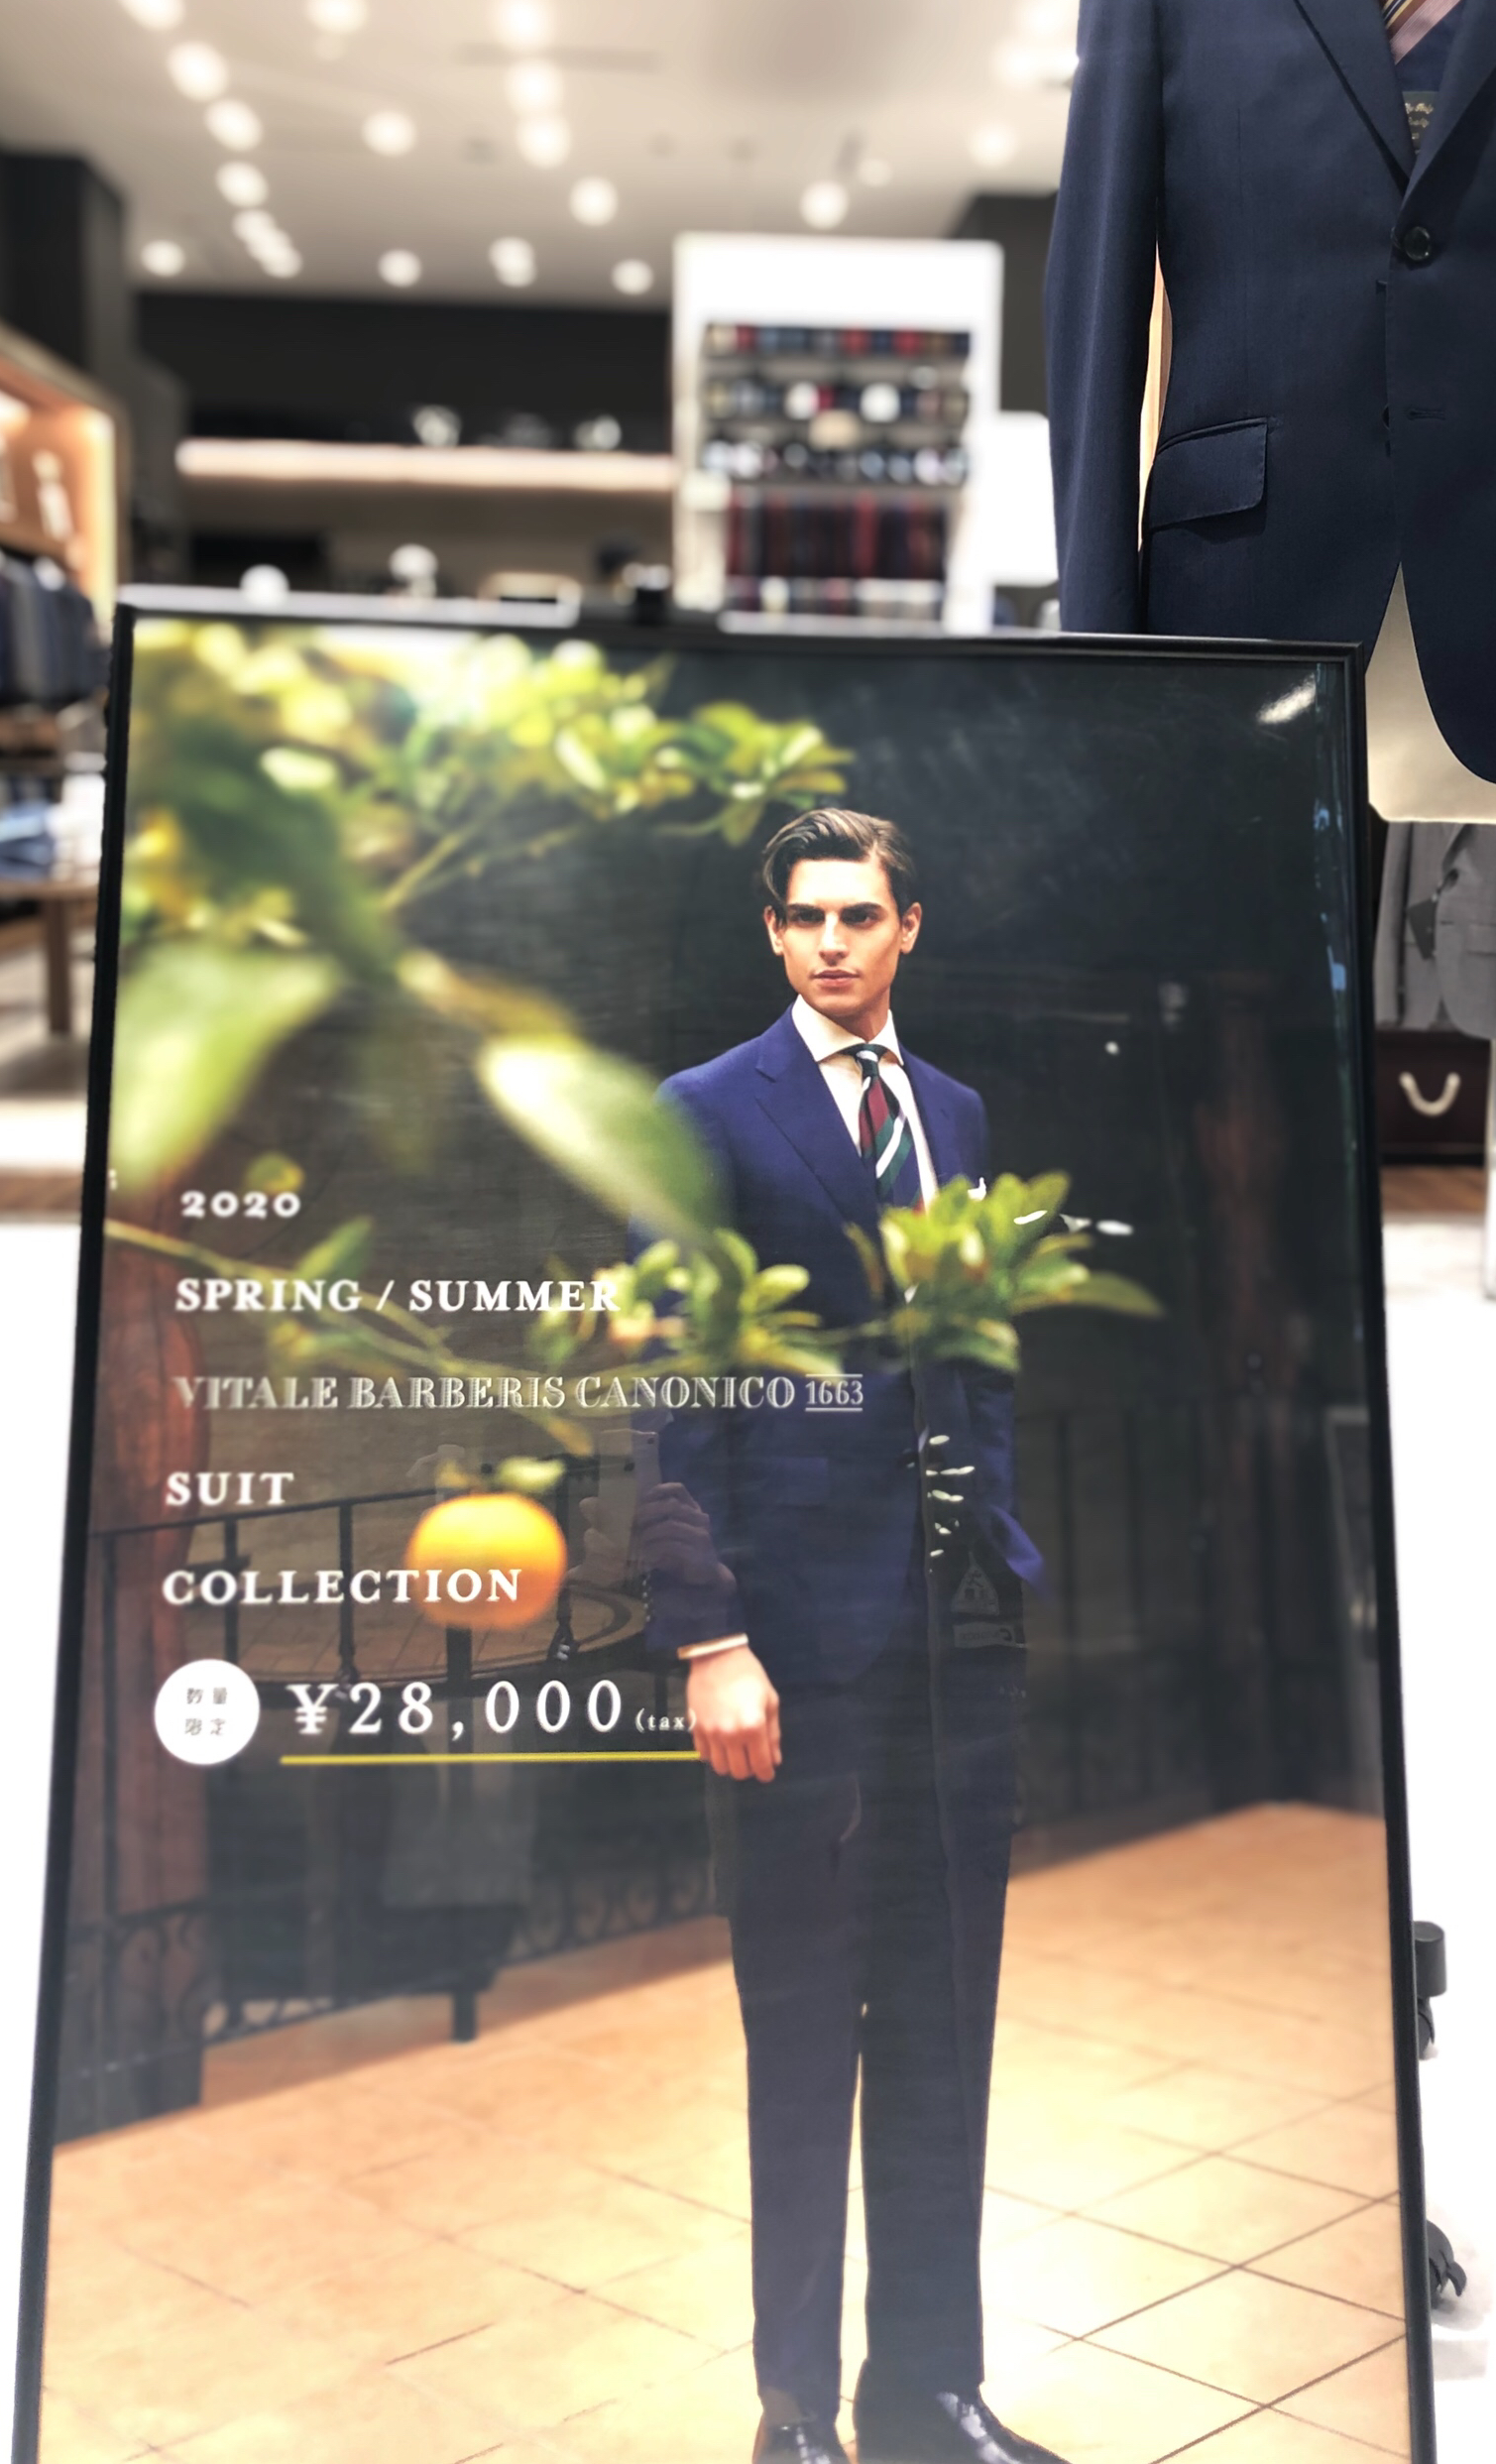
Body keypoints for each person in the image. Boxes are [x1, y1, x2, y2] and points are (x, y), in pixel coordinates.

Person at [646, 808, 1059, 2464]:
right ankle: (798, 2417)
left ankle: (931, 2393)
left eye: (858, 915)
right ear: (774, 933)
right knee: (809, 2037)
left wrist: (1000, 1559)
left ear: (908, 929)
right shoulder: (703, 1113)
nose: (831, 940)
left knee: (946, 2029)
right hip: (794, 1652)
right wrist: (708, 1639)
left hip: (954, 1649)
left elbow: (976, 1361)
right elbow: (671, 1391)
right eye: (805, 916)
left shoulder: (952, 1114)